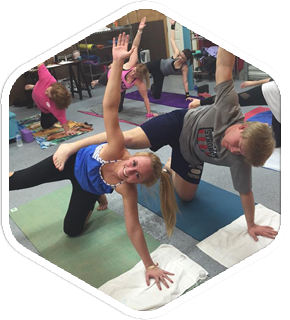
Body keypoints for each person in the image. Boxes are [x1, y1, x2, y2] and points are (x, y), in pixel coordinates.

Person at [53, 46, 278, 243]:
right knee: (128, 137)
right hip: (178, 124)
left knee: (187, 197)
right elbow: (224, 64)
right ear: (242, 127)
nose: (234, 151)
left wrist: (251, 225)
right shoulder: (229, 108)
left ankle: (170, 165)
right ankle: (72, 146)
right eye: (238, 145)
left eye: (240, 154)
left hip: (191, 156)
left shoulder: (241, 158)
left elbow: (246, 192)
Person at [10, 33, 178, 290]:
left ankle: (94, 198)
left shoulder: (129, 191)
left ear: (139, 183)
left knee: (72, 231)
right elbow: (110, 108)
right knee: (20, 180)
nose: (129, 171)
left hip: (86, 186)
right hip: (70, 162)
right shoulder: (116, 150)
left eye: (136, 176)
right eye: (133, 165)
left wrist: (150, 265)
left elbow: (133, 229)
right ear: (132, 157)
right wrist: (118, 64)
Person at [91, 17, 157, 118]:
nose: (133, 73)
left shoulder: (138, 82)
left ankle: (98, 81)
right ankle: (97, 81)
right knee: (104, 84)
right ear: (134, 67)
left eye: (136, 74)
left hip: (120, 89)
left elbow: (145, 98)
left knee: (118, 110)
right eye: (134, 71)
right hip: (109, 77)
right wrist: (139, 31)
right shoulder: (131, 64)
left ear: (139, 77)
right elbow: (135, 45)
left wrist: (149, 113)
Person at [188, 78, 281, 147]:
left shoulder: (274, 91)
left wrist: (201, 102)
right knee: (276, 140)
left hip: (277, 96)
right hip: (276, 95)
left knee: (277, 140)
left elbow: (229, 99)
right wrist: (253, 83)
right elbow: (274, 79)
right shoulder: (273, 89)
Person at [145, 18, 194, 100]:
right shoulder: (176, 53)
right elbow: (172, 40)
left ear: (186, 60)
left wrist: (187, 95)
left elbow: (185, 82)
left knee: (156, 96)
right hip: (156, 64)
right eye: (180, 55)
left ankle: (153, 86)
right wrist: (172, 26)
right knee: (139, 69)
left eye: (183, 58)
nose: (180, 58)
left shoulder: (184, 67)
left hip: (160, 74)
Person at [25, 63, 76, 136]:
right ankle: (34, 87)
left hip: (46, 110)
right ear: (52, 86)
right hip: (38, 89)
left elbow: (62, 118)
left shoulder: (56, 105)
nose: (46, 93)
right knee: (40, 90)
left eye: (48, 95)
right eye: (48, 90)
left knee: (45, 125)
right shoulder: (47, 78)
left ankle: (54, 115)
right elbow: (40, 64)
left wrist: (67, 130)